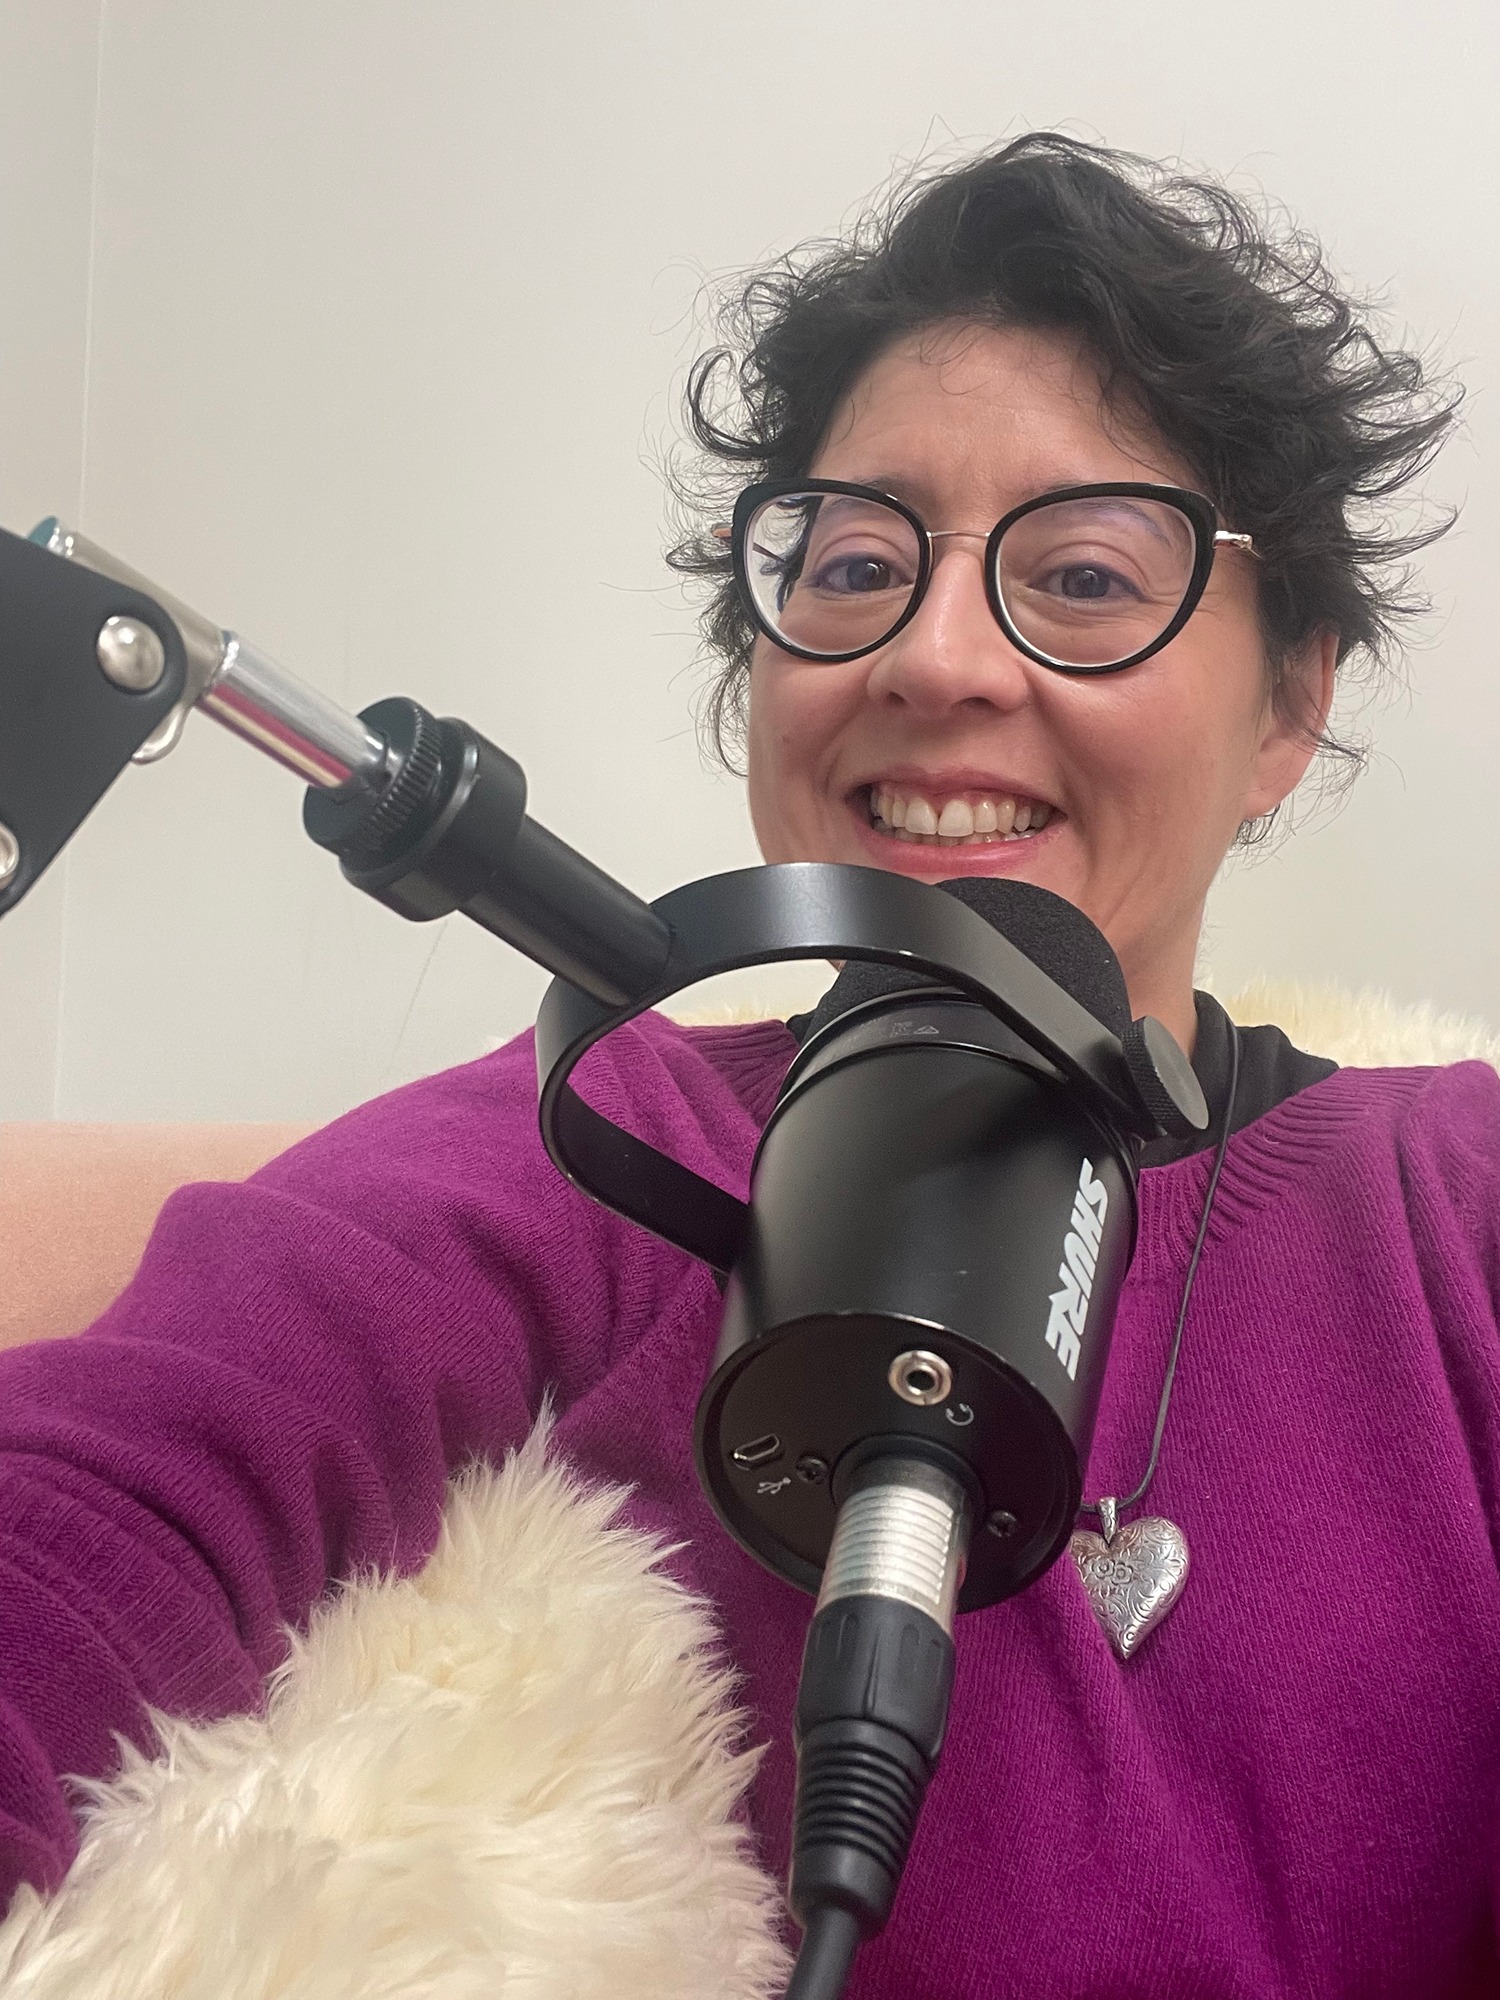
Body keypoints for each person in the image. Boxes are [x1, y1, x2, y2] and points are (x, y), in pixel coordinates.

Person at [0, 131, 1492, 1996]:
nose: (937, 657)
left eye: (1092, 576)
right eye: (859, 561)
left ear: (1291, 706)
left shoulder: (1457, 1205)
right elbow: (86, 1515)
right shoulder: (590, 1136)